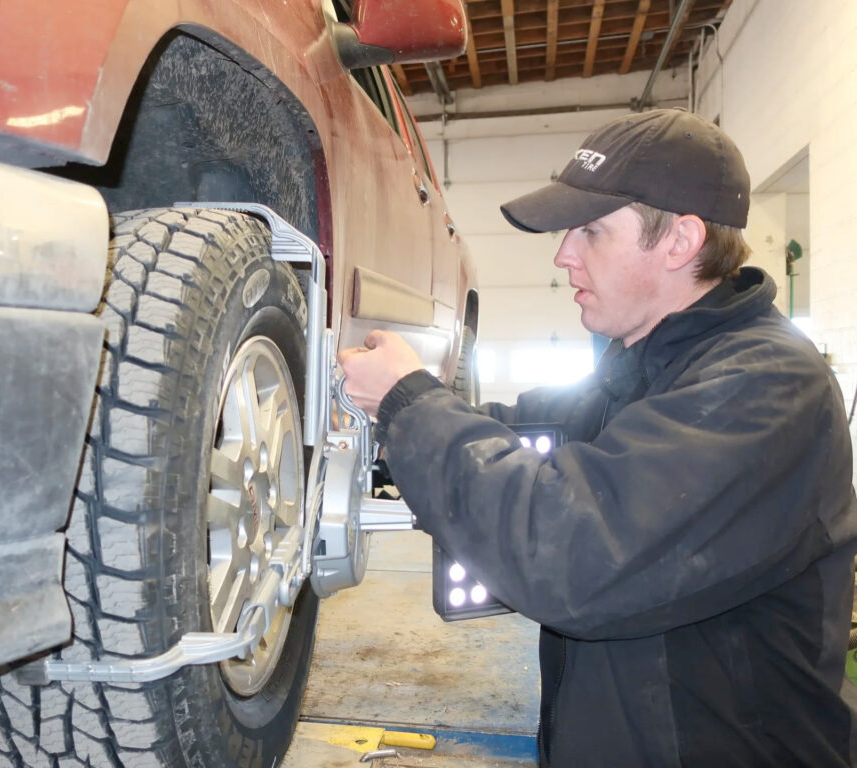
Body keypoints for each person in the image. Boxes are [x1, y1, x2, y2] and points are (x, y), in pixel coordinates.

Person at [339, 109, 857, 767]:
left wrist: (407, 404)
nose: (563, 255)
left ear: (679, 241)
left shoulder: (766, 384)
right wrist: (384, 426)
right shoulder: (639, 371)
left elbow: (574, 551)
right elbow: (518, 430)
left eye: (591, 231)